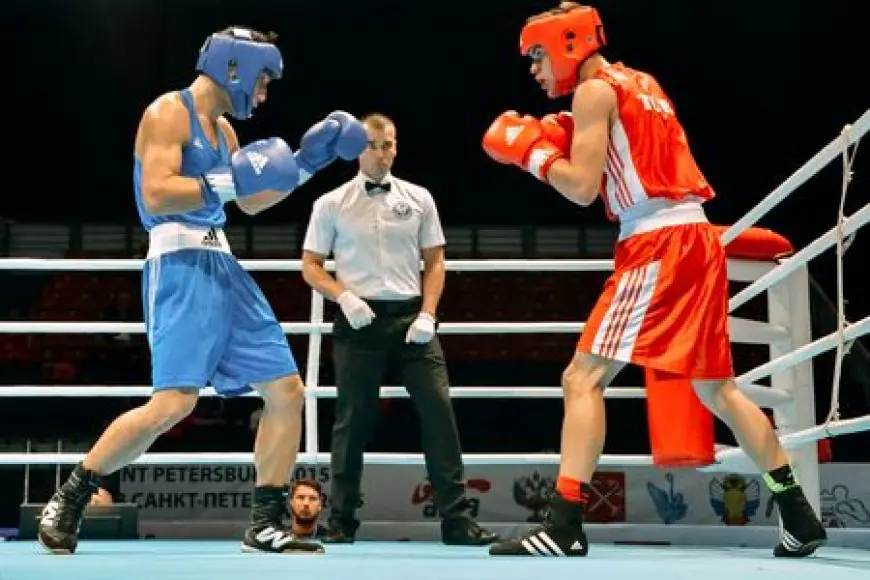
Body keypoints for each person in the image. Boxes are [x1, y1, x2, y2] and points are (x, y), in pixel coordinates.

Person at [481, 3, 827, 557]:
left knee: (581, 378)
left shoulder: (593, 92)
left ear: (567, 42)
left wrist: (533, 155)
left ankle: (564, 524)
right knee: (717, 389)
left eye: (537, 55)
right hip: (697, 237)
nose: (534, 69)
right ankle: (798, 514)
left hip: (657, 243)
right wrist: (566, 134)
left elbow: (581, 187)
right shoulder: (643, 84)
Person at [37, 26, 369, 555]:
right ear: (234, 68)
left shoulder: (225, 133)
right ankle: (72, 495)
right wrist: (229, 182)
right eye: (262, 81)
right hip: (178, 263)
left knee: (286, 392)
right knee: (173, 404)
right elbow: (156, 193)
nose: (263, 94)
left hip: (223, 264)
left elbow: (251, 202)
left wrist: (307, 164)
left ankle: (264, 523)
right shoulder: (167, 113)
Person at [300, 113, 498, 546]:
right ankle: (342, 520)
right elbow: (310, 265)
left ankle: (457, 520)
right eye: (373, 145)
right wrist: (343, 297)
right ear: (357, 150)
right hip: (358, 322)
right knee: (352, 421)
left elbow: (436, 260)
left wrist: (429, 314)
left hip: (412, 321)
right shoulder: (331, 203)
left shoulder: (420, 198)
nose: (382, 153)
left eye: (388, 144)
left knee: (439, 412)